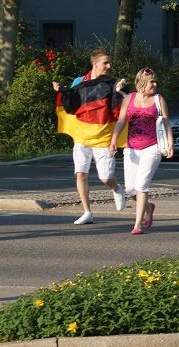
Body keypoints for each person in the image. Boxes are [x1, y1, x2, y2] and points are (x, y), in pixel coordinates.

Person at [53, 48, 127, 225]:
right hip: (81, 137)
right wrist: (61, 91)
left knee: (105, 178)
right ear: (95, 64)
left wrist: (119, 91)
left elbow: (124, 107)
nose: (109, 66)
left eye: (109, 63)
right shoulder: (79, 82)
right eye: (105, 63)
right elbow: (71, 104)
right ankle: (87, 212)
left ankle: (117, 188)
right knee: (80, 174)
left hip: (103, 137)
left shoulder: (112, 83)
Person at [109, 68, 173, 234]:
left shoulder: (159, 99)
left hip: (152, 147)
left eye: (155, 81)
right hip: (131, 148)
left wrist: (170, 144)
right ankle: (148, 208)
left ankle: (137, 224)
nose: (155, 84)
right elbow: (121, 121)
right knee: (130, 188)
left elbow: (166, 123)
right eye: (152, 81)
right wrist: (114, 139)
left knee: (141, 185)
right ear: (142, 83)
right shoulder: (129, 98)